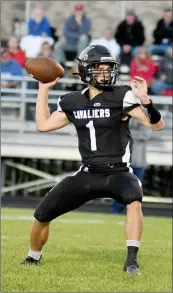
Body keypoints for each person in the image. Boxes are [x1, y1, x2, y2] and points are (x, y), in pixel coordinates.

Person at [21, 45, 165, 276]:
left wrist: (146, 101)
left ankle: (131, 262)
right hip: (87, 174)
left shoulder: (122, 95)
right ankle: (33, 257)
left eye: (109, 68)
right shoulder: (72, 101)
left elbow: (157, 125)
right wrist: (43, 89)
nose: (106, 73)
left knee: (134, 200)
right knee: (41, 214)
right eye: (99, 68)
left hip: (118, 172)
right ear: (86, 70)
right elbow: (43, 125)